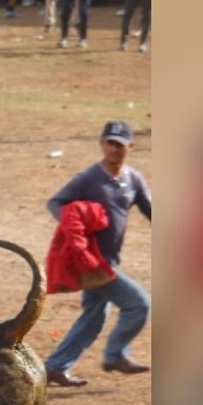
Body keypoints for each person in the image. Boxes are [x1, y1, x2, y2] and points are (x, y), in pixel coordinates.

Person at [43, 120, 152, 387]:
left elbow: (151, 210)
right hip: (92, 263)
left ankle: (55, 367)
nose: (115, 149)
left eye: (121, 145)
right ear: (102, 144)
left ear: (131, 147)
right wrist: (73, 223)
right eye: (111, 143)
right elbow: (56, 202)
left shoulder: (133, 179)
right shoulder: (89, 178)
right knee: (139, 304)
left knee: (94, 317)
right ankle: (116, 355)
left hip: (110, 259)